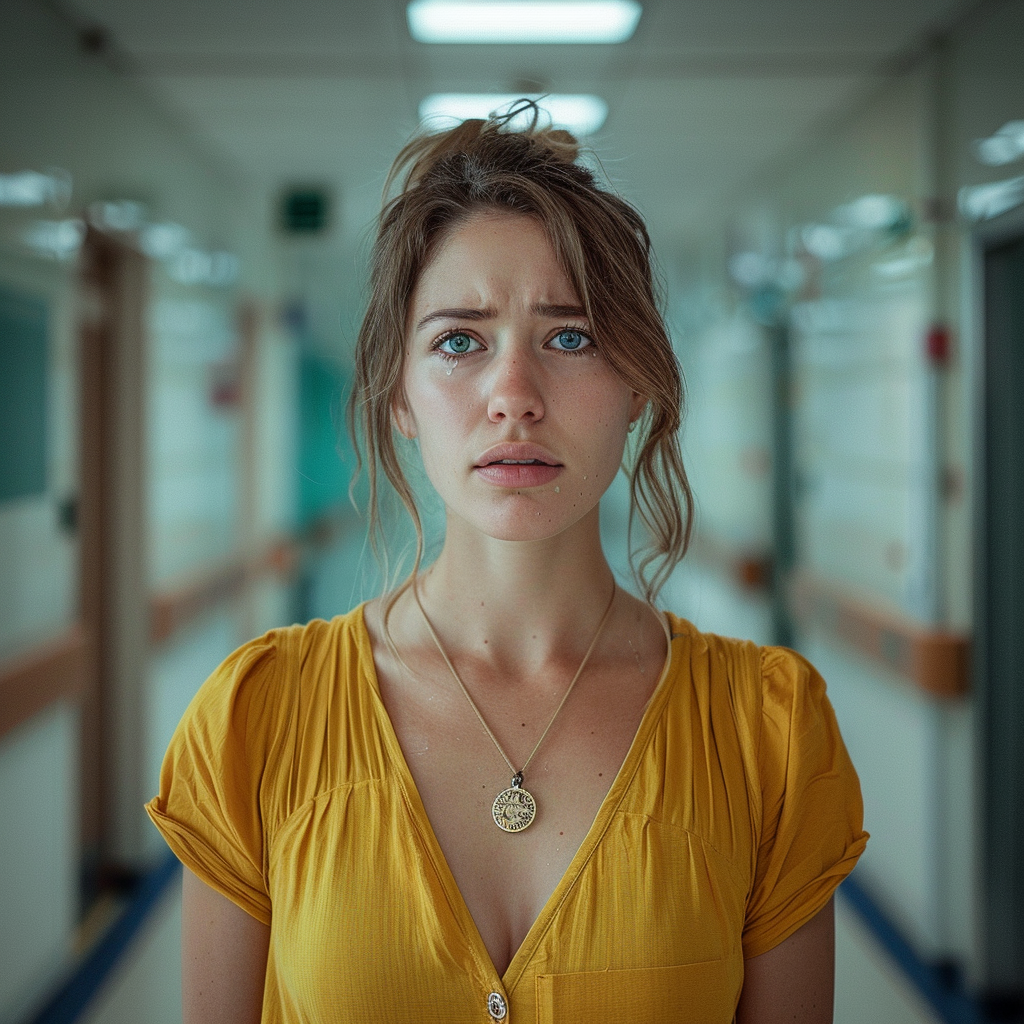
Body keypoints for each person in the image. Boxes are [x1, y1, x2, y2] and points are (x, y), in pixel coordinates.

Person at [147, 105, 867, 1024]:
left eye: (571, 337)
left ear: (638, 381)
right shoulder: (256, 720)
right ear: (398, 395)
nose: (513, 397)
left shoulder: (768, 735)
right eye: (459, 341)